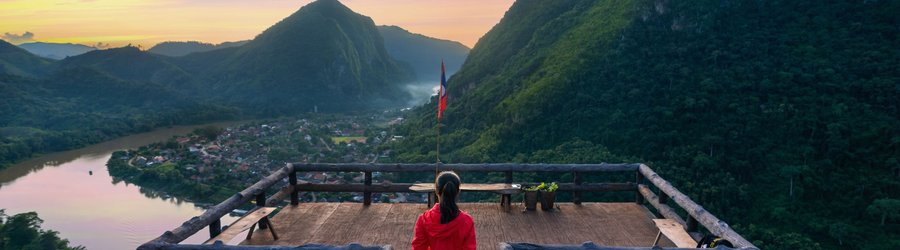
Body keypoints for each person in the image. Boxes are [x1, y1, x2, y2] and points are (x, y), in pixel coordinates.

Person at [411, 171, 476, 250]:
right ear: (458, 192)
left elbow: (418, 247)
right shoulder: (467, 221)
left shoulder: (424, 220)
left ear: (436, 191)